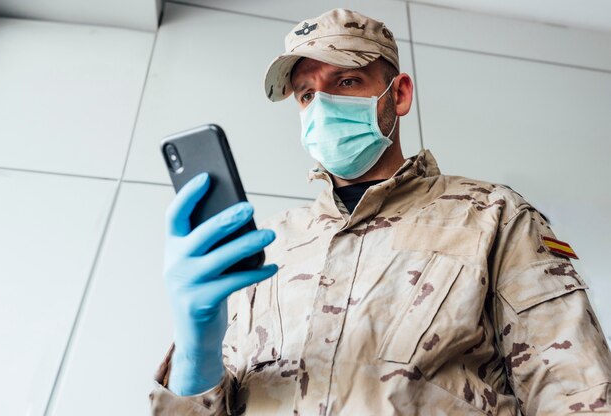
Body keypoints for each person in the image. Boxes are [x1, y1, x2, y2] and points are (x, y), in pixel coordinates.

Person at [149, 8, 611, 415]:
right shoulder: (268, 245)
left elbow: (575, 392)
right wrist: (196, 345)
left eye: (345, 82)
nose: (322, 106)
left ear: (399, 94)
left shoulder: (492, 217)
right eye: (306, 94)